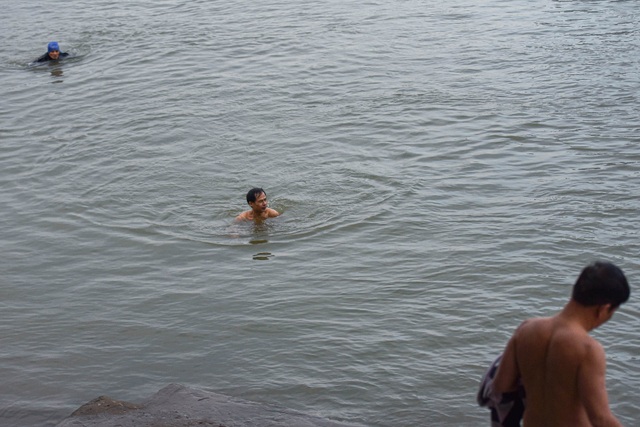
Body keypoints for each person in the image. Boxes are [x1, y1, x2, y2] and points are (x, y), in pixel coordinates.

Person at [489, 261, 630, 426]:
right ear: (604, 309)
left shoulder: (526, 329)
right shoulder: (588, 349)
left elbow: (501, 386)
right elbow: (600, 418)